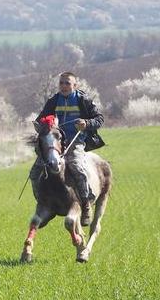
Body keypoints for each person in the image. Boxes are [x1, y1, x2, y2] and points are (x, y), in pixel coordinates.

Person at [35, 71, 105, 227]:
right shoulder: (54, 100)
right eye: (61, 83)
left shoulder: (83, 100)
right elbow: (40, 119)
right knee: (36, 170)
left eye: (67, 83)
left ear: (75, 85)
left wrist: (86, 123)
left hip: (76, 141)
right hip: (56, 142)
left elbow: (100, 119)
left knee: (77, 167)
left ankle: (86, 204)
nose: (64, 86)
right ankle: (42, 202)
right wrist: (44, 125)